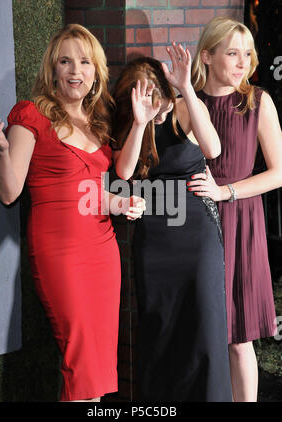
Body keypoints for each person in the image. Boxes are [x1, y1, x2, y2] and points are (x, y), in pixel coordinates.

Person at [0, 24, 145, 402]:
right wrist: (2, 151)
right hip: (61, 255)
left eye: (85, 62)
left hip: (103, 253)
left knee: (97, 368)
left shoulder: (99, 124)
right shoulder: (31, 114)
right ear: (52, 70)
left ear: (95, 72)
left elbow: (92, 194)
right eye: (66, 61)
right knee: (81, 362)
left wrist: (119, 203)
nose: (76, 70)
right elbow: (9, 193)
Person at [112, 43, 233, 401]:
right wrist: (139, 121)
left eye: (161, 102)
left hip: (197, 236)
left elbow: (213, 149)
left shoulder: (183, 108)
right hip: (154, 241)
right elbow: (124, 173)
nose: (159, 112)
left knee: (205, 327)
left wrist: (186, 90)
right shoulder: (133, 122)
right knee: (159, 329)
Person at [189, 16, 282, 402]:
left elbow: (278, 173)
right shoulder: (186, 103)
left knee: (239, 340)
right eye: (232, 53)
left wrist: (225, 192)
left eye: (247, 54)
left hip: (241, 222)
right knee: (200, 336)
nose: (243, 62)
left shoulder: (259, 101)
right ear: (207, 56)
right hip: (194, 225)